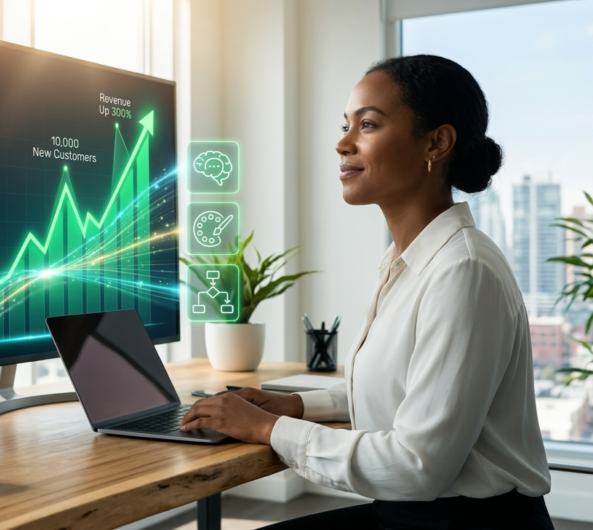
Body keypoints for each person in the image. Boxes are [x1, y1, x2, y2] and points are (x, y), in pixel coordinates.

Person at [179, 55, 554, 529]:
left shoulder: (463, 271)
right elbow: (408, 392)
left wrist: (267, 428)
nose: (342, 143)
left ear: (436, 143)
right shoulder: (409, 261)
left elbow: (416, 465)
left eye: (368, 125)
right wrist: (297, 405)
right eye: (346, 125)